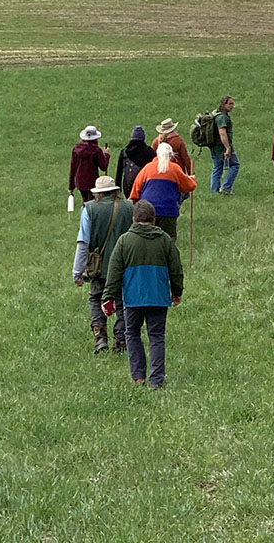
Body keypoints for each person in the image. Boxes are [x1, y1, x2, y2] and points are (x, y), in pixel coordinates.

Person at [102, 199, 183, 390]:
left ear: (133, 219)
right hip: (158, 296)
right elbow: (176, 269)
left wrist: (108, 297)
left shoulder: (124, 241)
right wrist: (177, 291)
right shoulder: (164, 239)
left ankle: (138, 376)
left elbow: (114, 271)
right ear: (154, 220)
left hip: (133, 296)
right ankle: (156, 380)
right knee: (156, 336)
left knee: (132, 333)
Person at [72, 176, 133, 354]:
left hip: (99, 267)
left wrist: (77, 272)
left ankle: (100, 339)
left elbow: (83, 243)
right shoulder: (130, 207)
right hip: (124, 264)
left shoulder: (89, 209)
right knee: (123, 302)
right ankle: (121, 340)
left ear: (98, 193)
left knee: (96, 298)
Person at [129, 142, 196, 242]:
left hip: (147, 210)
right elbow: (189, 186)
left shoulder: (147, 168)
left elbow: (135, 192)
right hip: (169, 211)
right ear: (170, 155)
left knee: (147, 238)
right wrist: (192, 179)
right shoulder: (175, 168)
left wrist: (133, 206)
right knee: (169, 239)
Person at [69, 126, 110, 202]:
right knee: (92, 204)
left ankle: (84, 213)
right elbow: (103, 167)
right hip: (92, 182)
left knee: (85, 202)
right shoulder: (96, 150)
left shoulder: (76, 149)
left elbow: (72, 168)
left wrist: (71, 186)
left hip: (80, 182)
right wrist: (106, 155)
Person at [210, 95, 240, 196]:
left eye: (233, 103)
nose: (232, 106)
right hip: (222, 146)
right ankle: (226, 188)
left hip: (214, 146)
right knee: (235, 165)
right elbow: (222, 133)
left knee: (217, 167)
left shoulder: (216, 114)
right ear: (224, 104)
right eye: (230, 104)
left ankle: (214, 191)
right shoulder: (222, 117)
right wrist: (228, 147)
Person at [115, 126, 156, 198]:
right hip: (144, 186)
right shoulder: (150, 152)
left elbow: (119, 173)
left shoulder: (124, 152)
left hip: (128, 188)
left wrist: (118, 190)